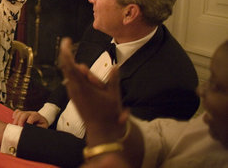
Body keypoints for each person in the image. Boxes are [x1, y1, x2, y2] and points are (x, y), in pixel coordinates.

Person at [0, 0, 200, 167]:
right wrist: (48, 112)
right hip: (53, 140)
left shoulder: (172, 85)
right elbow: (72, 78)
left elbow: (105, 154)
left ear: (129, 14)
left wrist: (6, 134)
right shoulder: (104, 27)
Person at [59, 39, 228, 168]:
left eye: (216, 86)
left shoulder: (169, 77)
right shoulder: (208, 130)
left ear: (130, 12)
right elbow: (161, 140)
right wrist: (109, 124)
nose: (201, 91)